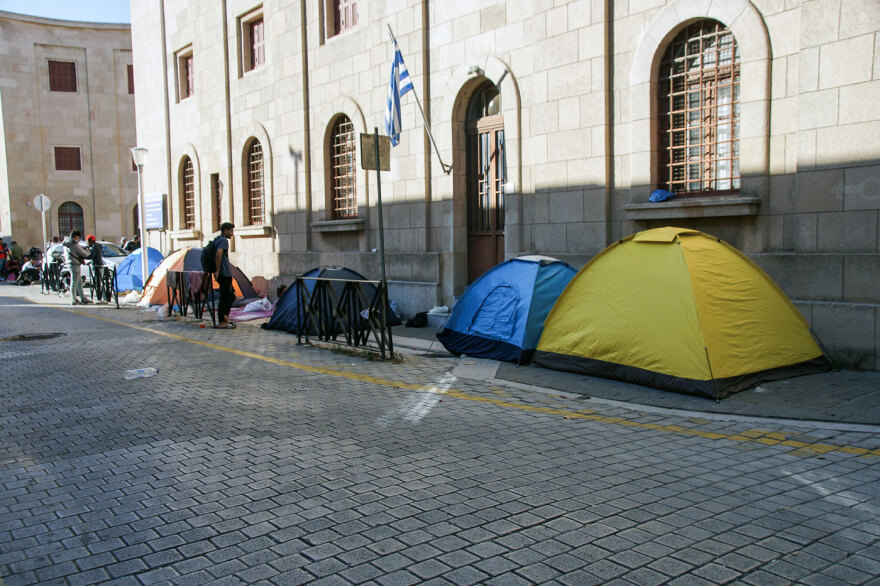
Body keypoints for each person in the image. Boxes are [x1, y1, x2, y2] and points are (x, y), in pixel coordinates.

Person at [212, 222, 236, 328]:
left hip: (222, 273)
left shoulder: (217, 240)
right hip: (224, 273)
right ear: (225, 231)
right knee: (227, 296)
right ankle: (222, 320)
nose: (232, 234)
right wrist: (217, 270)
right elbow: (218, 254)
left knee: (228, 295)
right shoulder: (223, 241)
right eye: (231, 231)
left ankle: (224, 318)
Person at [62, 230, 91, 305]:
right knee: (74, 282)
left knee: (79, 282)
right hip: (74, 264)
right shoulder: (74, 244)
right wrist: (88, 251)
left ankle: (82, 297)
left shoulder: (67, 243)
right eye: (78, 237)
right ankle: (74, 299)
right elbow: (84, 254)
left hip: (70, 263)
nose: (78, 239)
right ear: (75, 236)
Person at [85, 235, 109, 302]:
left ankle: (100, 297)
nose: (87, 243)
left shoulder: (94, 247)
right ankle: (102, 297)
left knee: (98, 282)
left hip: (97, 266)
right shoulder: (97, 246)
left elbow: (91, 255)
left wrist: (85, 254)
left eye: (88, 242)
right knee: (99, 281)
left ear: (91, 241)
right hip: (98, 265)